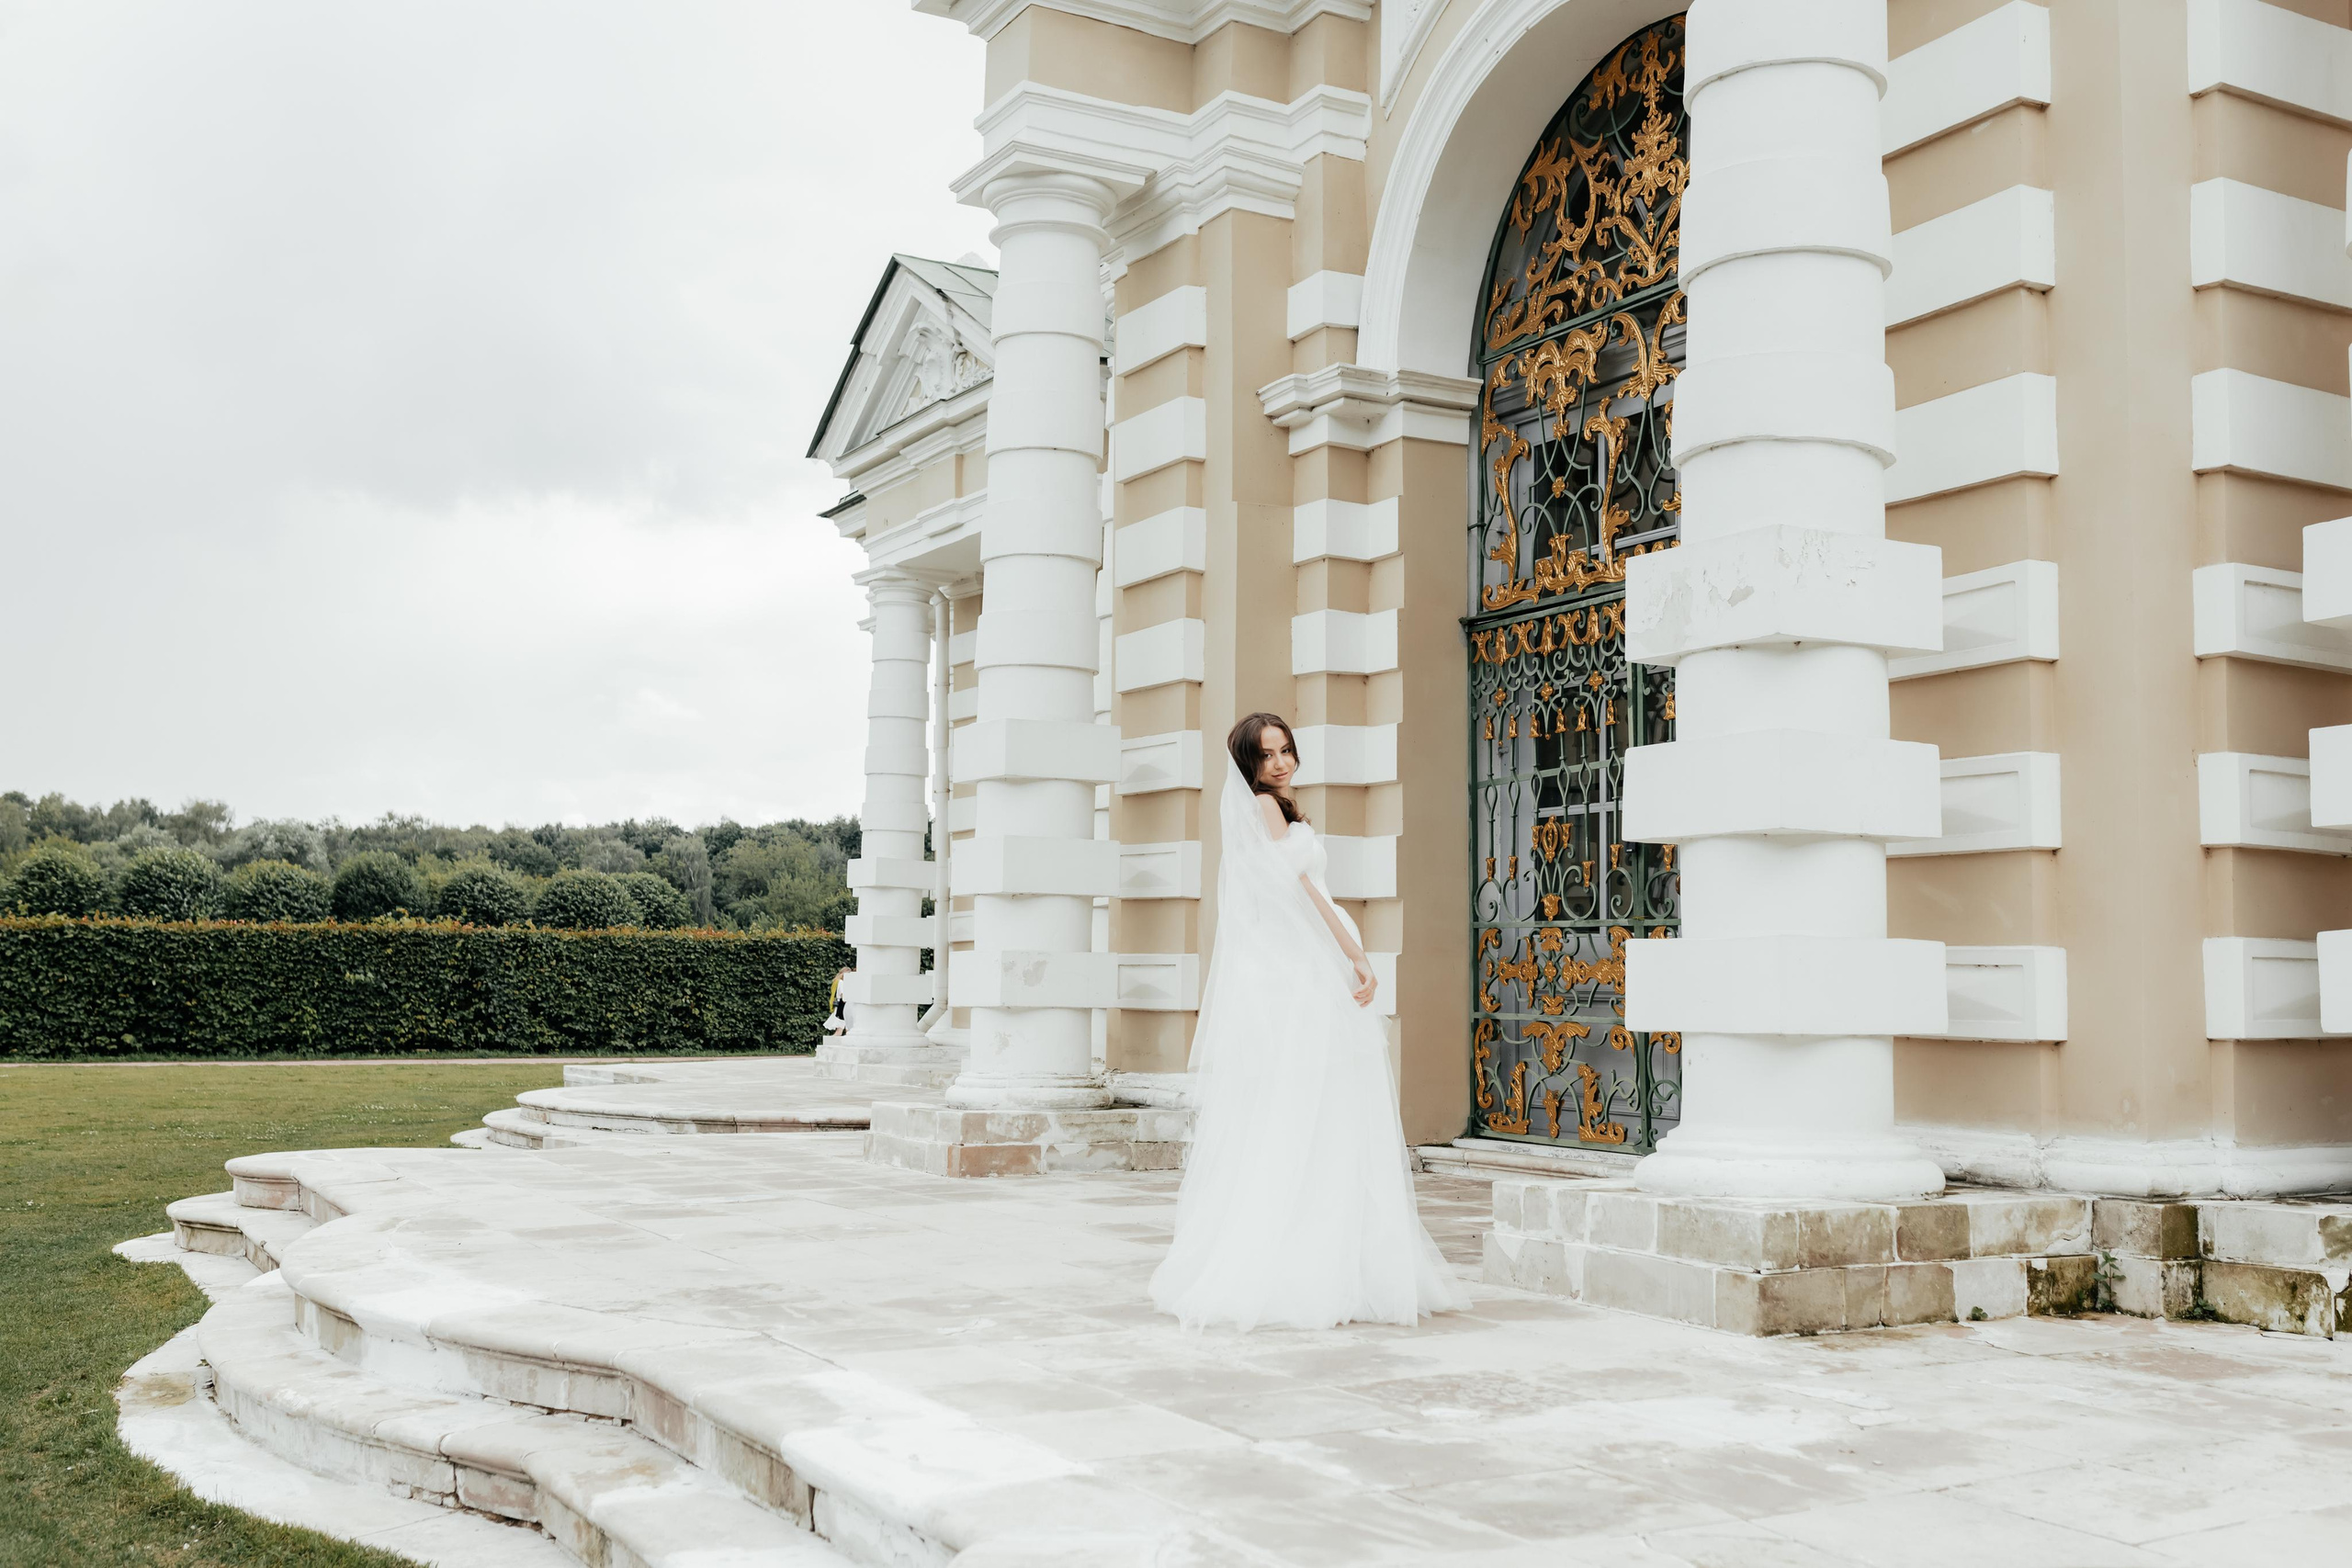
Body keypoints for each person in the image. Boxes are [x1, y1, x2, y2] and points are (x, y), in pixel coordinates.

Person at [1149, 712, 1471, 1331]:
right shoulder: (1268, 811)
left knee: (1310, 1108)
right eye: (1265, 754)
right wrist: (1354, 952)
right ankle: (1322, 1265)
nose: (1279, 762)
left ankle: (1319, 1257)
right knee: (1322, 1106)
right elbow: (1302, 890)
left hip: (1293, 970)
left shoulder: (1272, 811)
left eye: (1285, 749)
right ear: (1248, 765)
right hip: (1303, 973)